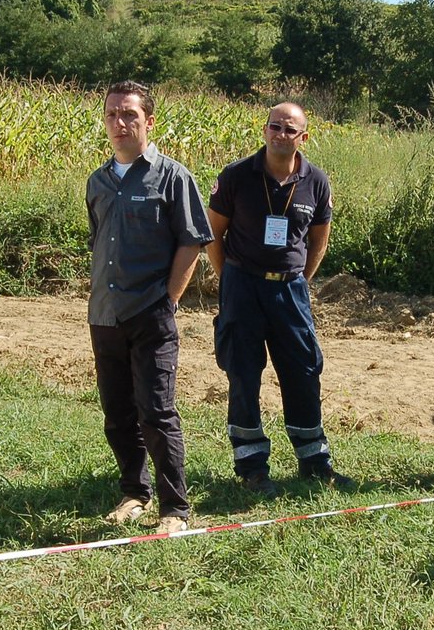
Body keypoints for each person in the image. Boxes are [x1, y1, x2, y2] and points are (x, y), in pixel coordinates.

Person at [206, 102, 355, 494]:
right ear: (264, 130)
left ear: (303, 137)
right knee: (243, 372)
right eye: (275, 127)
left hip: (289, 289)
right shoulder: (237, 176)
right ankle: (252, 465)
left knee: (304, 371)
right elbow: (213, 235)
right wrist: (230, 279)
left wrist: (300, 280)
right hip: (243, 286)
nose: (281, 134)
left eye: (290, 130)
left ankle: (314, 461)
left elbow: (319, 239)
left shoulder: (316, 181)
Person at [88, 80, 212, 536]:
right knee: (117, 412)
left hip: (151, 312)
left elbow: (192, 241)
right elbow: (99, 240)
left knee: (156, 411)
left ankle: (174, 509)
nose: (119, 123)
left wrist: (169, 299)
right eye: (112, 115)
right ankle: (134, 493)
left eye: (129, 115)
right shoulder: (98, 181)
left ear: (149, 122)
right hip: (104, 313)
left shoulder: (172, 176)